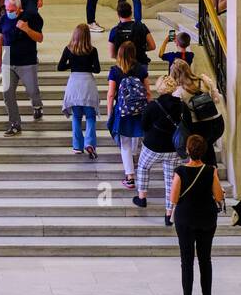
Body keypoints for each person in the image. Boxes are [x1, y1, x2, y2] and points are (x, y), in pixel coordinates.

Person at [170, 133, 225, 295]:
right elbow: (218, 196)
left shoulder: (180, 171)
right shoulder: (211, 171)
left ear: (187, 150)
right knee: (205, 258)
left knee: (186, 259)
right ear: (204, 151)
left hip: (185, 217)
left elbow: (174, 198)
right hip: (207, 217)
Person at [133, 74, 186, 224]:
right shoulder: (182, 106)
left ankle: (142, 198)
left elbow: (144, 126)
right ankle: (169, 215)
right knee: (171, 181)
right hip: (174, 149)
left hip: (153, 147)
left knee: (143, 167)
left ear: (160, 87)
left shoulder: (153, 106)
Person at [106, 40, 151, 188]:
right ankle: (133, 158)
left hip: (123, 111)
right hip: (140, 110)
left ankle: (130, 177)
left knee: (124, 143)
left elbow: (111, 94)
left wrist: (109, 112)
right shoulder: (141, 69)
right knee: (136, 136)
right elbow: (148, 92)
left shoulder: (115, 70)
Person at [0, 0, 44, 135]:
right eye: (7, 9)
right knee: (7, 93)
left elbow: (40, 38)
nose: (8, 12)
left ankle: (37, 106)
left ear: (19, 9)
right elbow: (1, 39)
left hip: (27, 61)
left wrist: (27, 29)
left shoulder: (30, 18)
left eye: (12, 10)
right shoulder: (4, 19)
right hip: (8, 61)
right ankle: (15, 123)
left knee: (32, 91)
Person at [168, 59, 224, 167]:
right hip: (218, 122)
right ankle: (212, 172)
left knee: (201, 152)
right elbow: (217, 99)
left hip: (200, 126)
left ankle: (208, 174)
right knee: (207, 147)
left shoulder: (178, 91)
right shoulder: (204, 80)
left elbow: (177, 112)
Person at [58, 23, 101, 160]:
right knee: (90, 117)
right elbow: (97, 69)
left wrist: (73, 64)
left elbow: (60, 67)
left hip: (74, 84)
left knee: (76, 117)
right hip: (88, 83)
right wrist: (86, 65)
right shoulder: (92, 50)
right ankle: (90, 143)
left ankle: (77, 146)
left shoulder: (69, 49)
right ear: (88, 36)